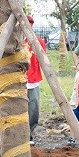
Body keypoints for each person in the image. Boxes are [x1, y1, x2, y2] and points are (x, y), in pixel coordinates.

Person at [25, 15, 47, 144]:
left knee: (33, 108)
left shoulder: (38, 41)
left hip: (33, 80)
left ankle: (30, 133)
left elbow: (43, 59)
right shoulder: (14, 40)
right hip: (17, 80)